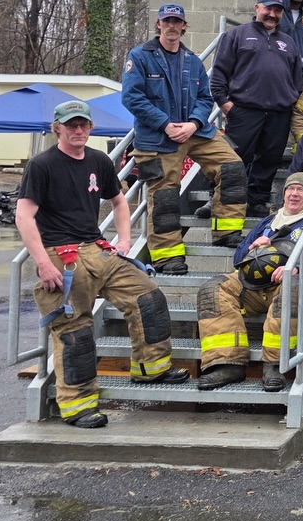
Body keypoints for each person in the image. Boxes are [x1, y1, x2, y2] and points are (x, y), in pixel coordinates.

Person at [14, 100, 188, 428]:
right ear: (58, 129)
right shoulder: (42, 165)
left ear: (90, 128)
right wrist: (42, 263)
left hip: (98, 249)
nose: (78, 131)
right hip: (60, 256)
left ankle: (151, 368)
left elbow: (119, 201)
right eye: (71, 125)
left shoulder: (98, 161)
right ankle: (77, 405)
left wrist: (124, 242)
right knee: (75, 330)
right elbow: (24, 216)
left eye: (83, 125)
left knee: (148, 296)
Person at [121, 3, 247, 275]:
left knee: (232, 165)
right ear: (159, 24)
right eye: (167, 21)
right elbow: (132, 98)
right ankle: (167, 257)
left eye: (177, 22)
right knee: (165, 195)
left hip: (195, 132)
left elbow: (205, 98)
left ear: (184, 26)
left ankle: (225, 231)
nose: (172, 26)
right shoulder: (140, 57)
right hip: (158, 138)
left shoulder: (192, 61)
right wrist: (165, 124)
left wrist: (194, 123)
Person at [194, 172, 303, 392]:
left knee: (292, 289)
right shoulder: (267, 222)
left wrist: (297, 267)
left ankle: (274, 365)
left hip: (285, 284)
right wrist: (253, 247)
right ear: (284, 194)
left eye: (301, 190)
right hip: (251, 286)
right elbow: (238, 258)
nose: (294, 193)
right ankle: (227, 363)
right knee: (212, 289)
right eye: (290, 189)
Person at [210, 0, 303, 216]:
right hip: (244, 110)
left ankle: (257, 201)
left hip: (278, 113)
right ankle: (220, 201)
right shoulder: (236, 35)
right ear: (257, 8)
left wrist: (290, 99)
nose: (272, 14)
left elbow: (297, 79)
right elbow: (219, 73)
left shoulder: (288, 42)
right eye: (268, 8)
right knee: (233, 159)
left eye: (277, 10)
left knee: (269, 159)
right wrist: (224, 103)